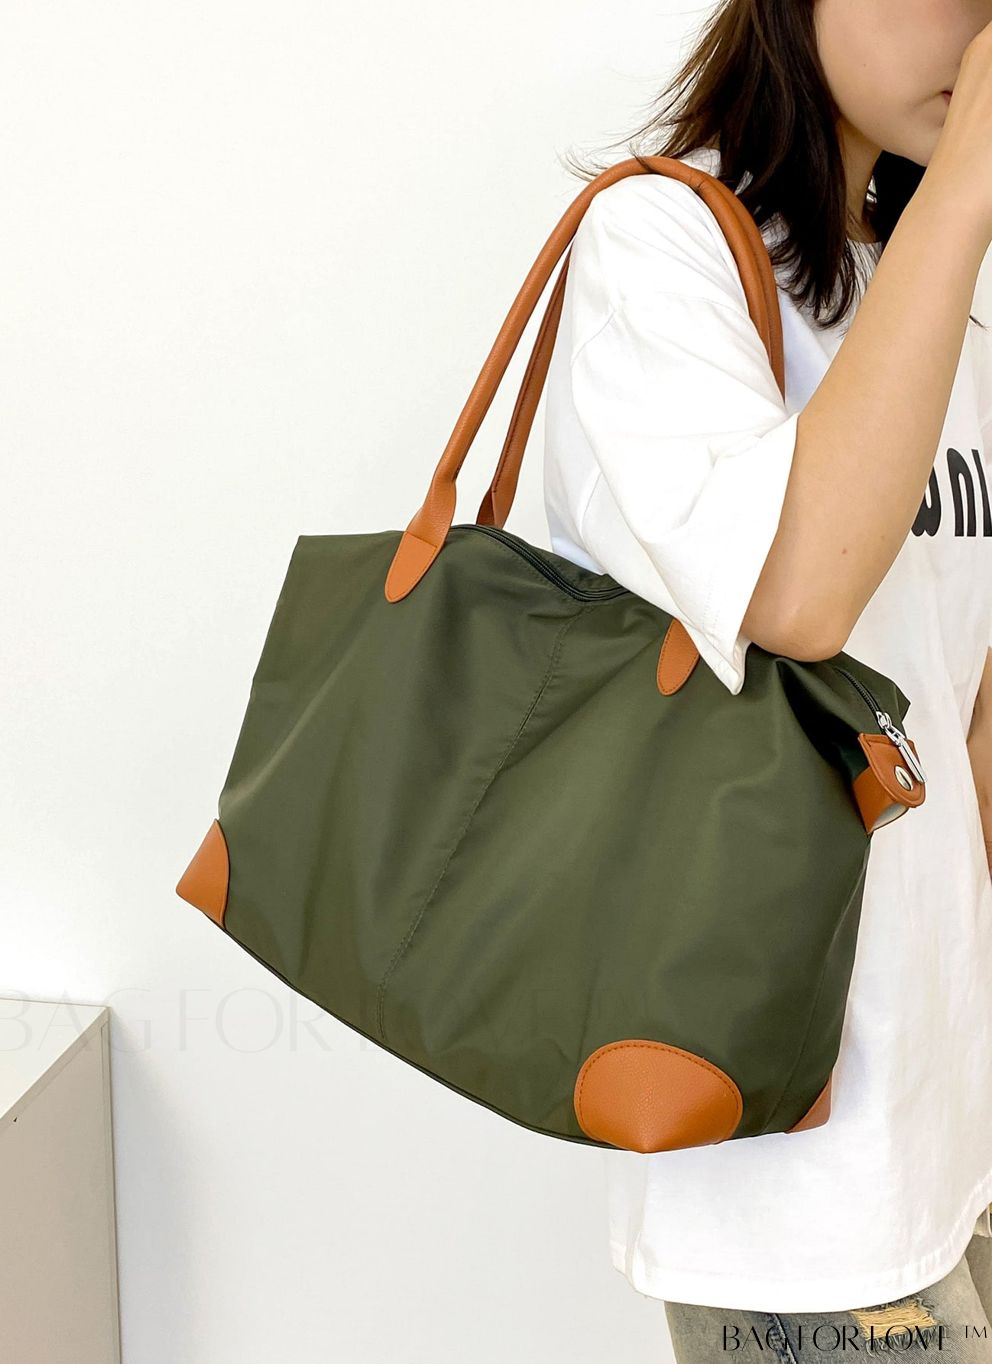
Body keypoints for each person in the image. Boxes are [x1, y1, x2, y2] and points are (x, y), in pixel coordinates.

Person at [542, 0, 992, 1357]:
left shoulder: (935, 284)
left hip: (950, 1120)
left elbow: (959, 733)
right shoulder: (661, 244)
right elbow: (796, 599)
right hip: (796, 1175)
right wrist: (967, 192)